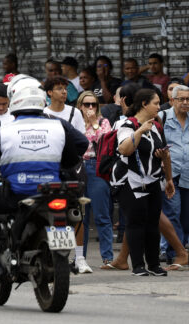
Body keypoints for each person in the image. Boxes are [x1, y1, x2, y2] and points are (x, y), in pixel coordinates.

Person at [0, 74, 89, 283]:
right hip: (52, 191)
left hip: (17, 194)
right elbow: (75, 154)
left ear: (14, 101)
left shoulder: (5, 131)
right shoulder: (58, 126)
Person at [112, 89, 176, 276]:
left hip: (153, 179)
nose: (159, 106)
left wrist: (169, 179)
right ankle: (138, 265)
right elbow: (124, 150)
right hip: (130, 181)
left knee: (152, 222)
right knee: (135, 223)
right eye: (156, 103)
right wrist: (140, 130)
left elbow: (166, 154)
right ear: (144, 104)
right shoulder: (125, 124)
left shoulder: (157, 125)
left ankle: (154, 264)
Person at [74, 90, 114, 272]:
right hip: (78, 166)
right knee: (80, 216)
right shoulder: (75, 121)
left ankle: (107, 257)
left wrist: (94, 124)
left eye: (93, 104)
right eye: (86, 104)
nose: (90, 108)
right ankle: (79, 257)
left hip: (96, 166)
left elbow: (106, 141)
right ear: (80, 106)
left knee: (102, 214)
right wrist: (85, 124)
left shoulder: (103, 122)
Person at [161, 84, 189, 262]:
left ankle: (180, 249)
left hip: (188, 175)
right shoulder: (163, 118)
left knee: (186, 217)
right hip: (170, 176)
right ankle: (174, 252)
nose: (185, 103)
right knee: (173, 213)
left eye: (188, 99)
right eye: (182, 99)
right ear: (173, 100)